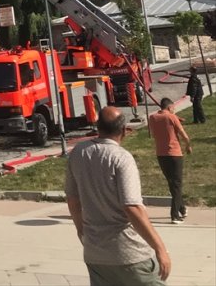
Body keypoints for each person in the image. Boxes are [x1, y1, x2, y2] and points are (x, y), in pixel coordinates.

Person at [66, 105, 171, 286]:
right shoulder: (121, 158)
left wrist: (81, 230)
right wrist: (160, 248)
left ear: (98, 127)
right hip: (129, 254)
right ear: (124, 130)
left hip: (95, 254)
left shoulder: (78, 152)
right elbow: (132, 207)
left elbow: (72, 199)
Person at [148, 98, 191, 223]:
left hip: (161, 154)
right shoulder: (172, 117)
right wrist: (188, 145)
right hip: (174, 154)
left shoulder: (152, 117)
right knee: (177, 184)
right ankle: (175, 215)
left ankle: (182, 208)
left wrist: (174, 118)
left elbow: (159, 125)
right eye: (173, 108)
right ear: (170, 107)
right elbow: (183, 133)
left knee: (172, 183)